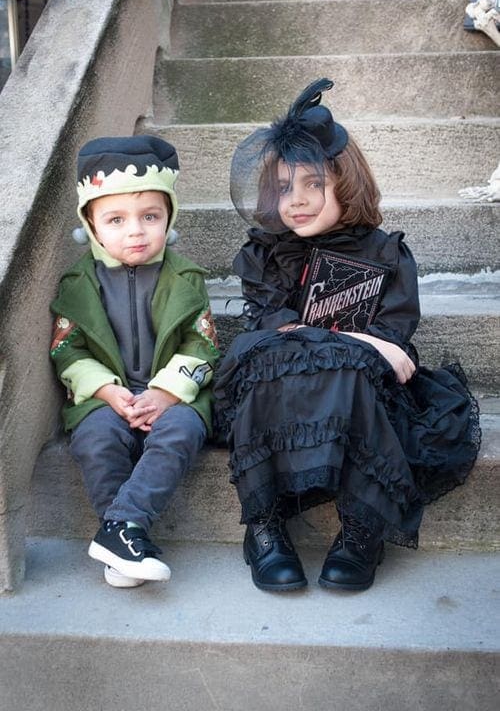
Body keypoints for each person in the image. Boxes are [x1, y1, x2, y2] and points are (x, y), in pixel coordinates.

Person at [214, 79, 480, 593]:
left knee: (355, 371)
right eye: (285, 186)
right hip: (283, 388)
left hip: (360, 395)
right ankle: (264, 525)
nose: (298, 200)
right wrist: (366, 342)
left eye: (314, 184)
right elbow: (274, 326)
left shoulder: (385, 254)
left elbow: (393, 342)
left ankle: (361, 529)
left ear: (346, 182)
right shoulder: (267, 253)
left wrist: (374, 346)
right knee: (261, 357)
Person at [50, 135, 219, 588]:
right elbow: (68, 349)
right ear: (90, 224)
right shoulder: (77, 284)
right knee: (97, 439)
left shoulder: (184, 278)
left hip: (173, 393)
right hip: (105, 395)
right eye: (116, 219)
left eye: (151, 217)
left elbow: (203, 345)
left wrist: (165, 392)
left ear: (170, 217)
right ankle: (124, 539)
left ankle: (121, 529)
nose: (136, 231)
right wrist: (107, 391)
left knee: (180, 432)